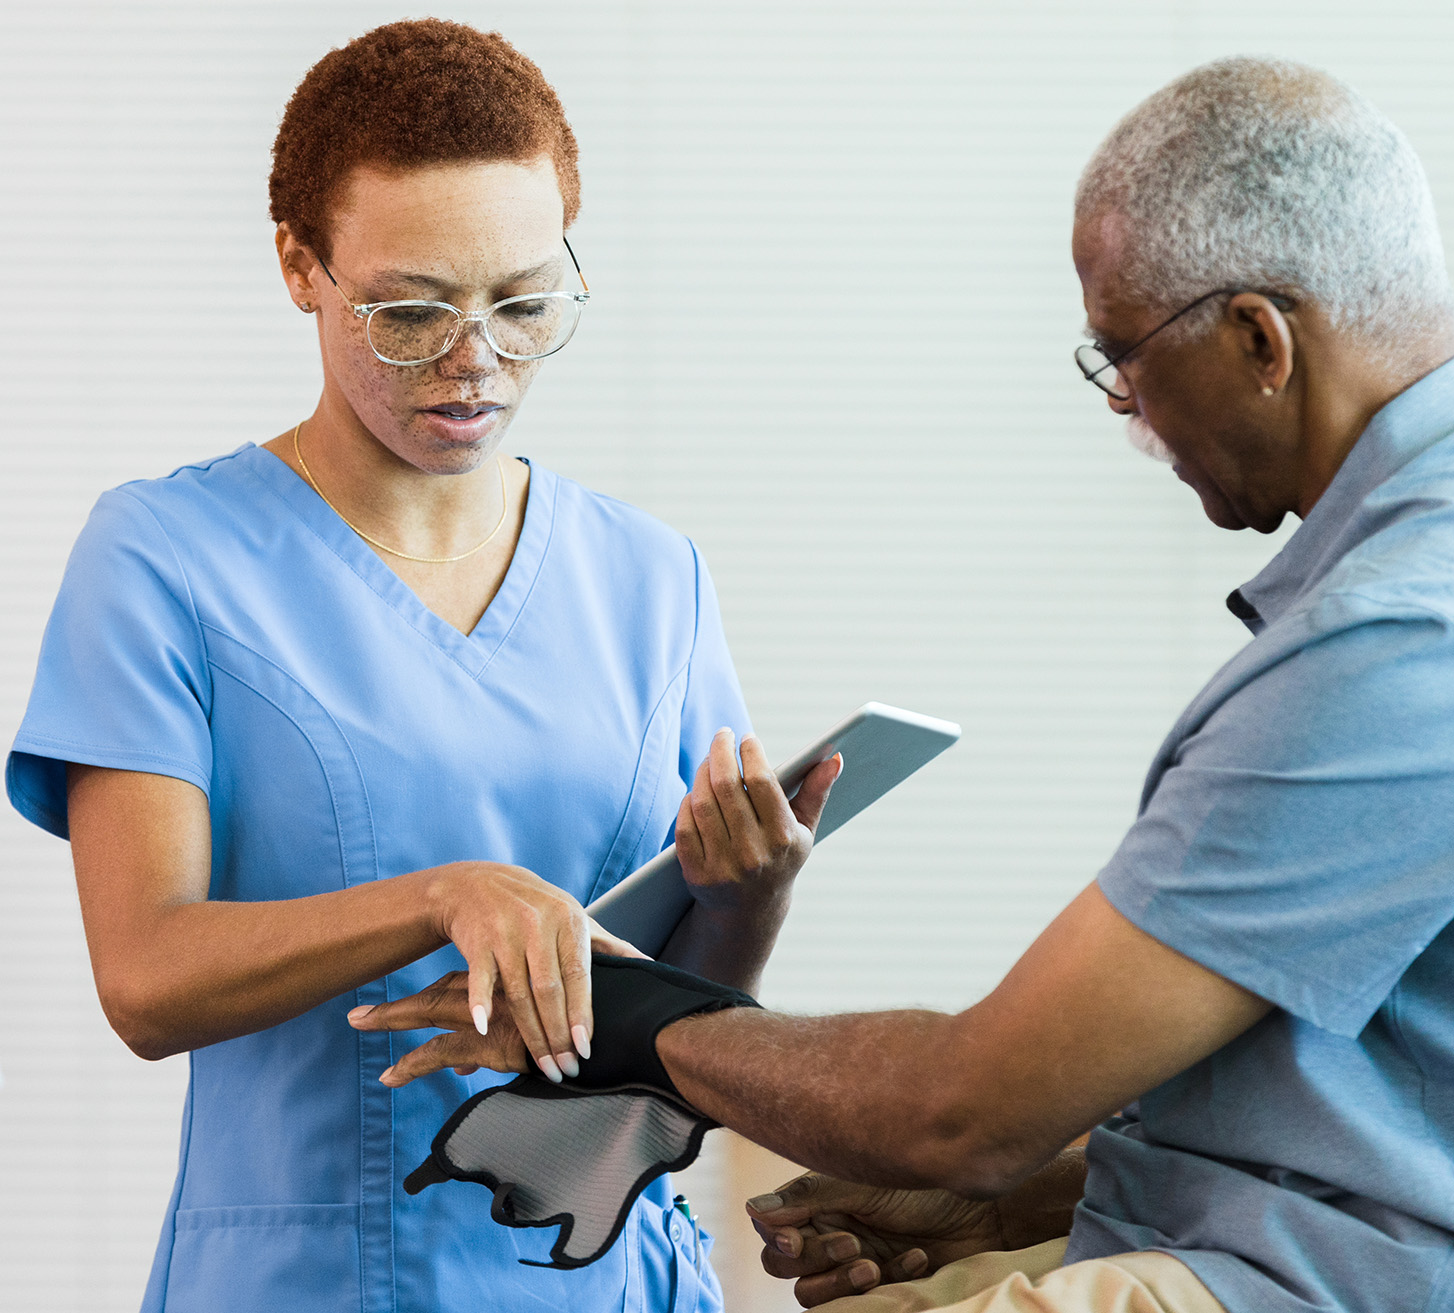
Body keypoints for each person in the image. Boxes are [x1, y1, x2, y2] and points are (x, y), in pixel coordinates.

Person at [359, 57, 1454, 1313]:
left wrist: (629, 1019)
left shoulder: (1413, 641)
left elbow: (960, 1107)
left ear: (1257, 337)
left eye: (1123, 360)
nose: (1127, 415)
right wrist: (1019, 1200)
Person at [5, 19, 837, 1313]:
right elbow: (146, 979)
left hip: (608, 1280)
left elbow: (686, 1007)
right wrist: (443, 894)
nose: (475, 359)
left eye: (523, 303)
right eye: (411, 310)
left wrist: (753, 888)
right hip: (304, 1280)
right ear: (301, 264)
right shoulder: (166, 556)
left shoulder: (647, 574)